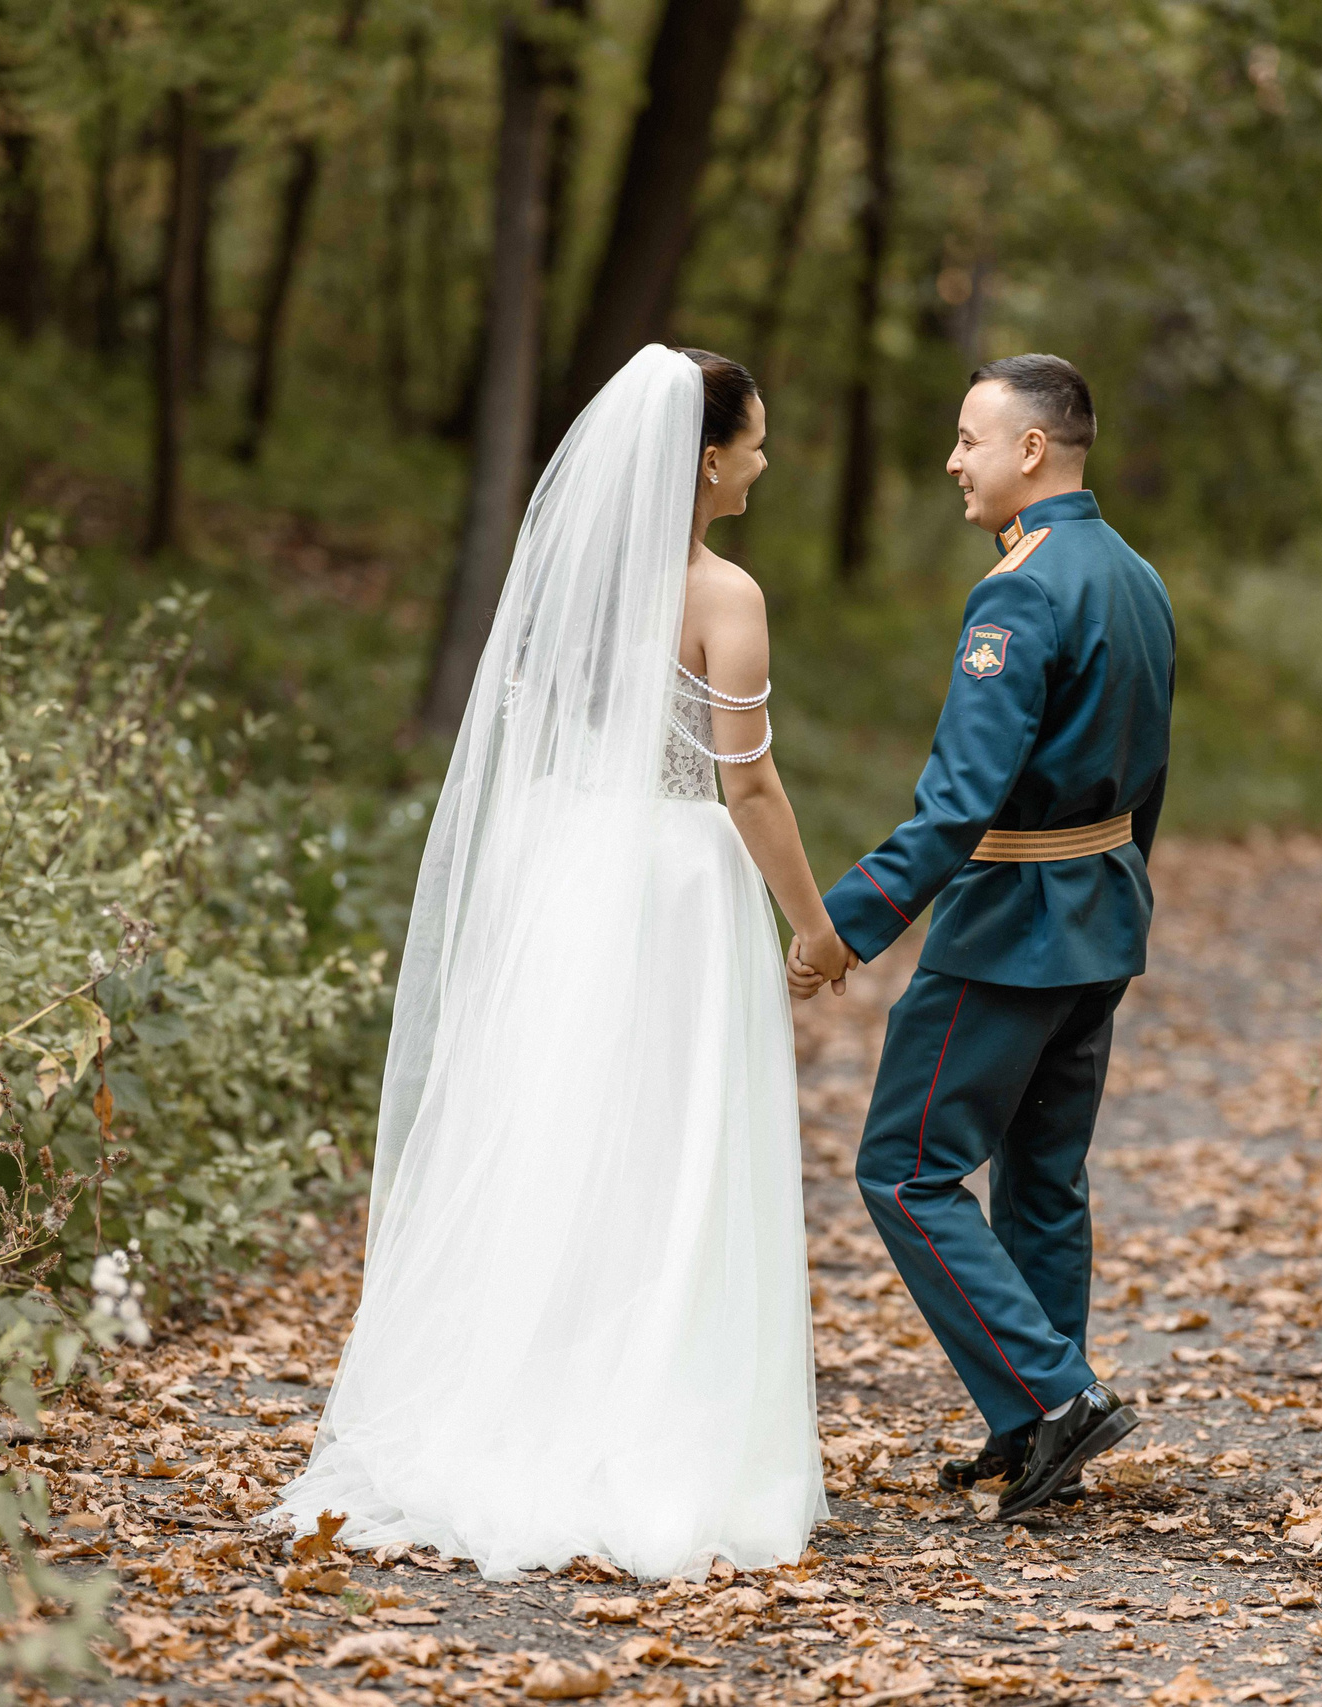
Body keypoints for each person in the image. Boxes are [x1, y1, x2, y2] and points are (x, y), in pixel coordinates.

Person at [271, 345, 850, 1579]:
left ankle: (518, 1401)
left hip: (571, 864)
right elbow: (744, 781)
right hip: (678, 885)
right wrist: (813, 923)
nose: (764, 457)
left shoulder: (570, 588)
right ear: (705, 462)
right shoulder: (723, 597)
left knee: (561, 1134)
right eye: (753, 440)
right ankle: (649, 1423)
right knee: (671, 1147)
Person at [792, 353, 1175, 1521]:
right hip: (1103, 914)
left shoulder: (1019, 590)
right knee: (1041, 1182)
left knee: (903, 1171)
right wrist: (1119, 890)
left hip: (1006, 930)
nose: (952, 461)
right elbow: (1148, 775)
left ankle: (1054, 1398)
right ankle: (1032, 1427)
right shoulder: (1135, 575)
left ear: (1030, 450)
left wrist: (841, 928)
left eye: (968, 439)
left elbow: (957, 805)